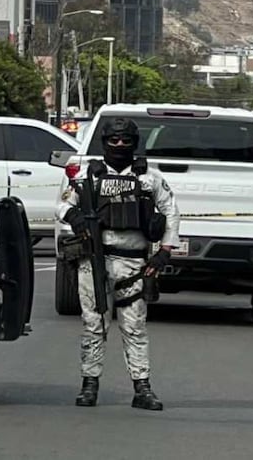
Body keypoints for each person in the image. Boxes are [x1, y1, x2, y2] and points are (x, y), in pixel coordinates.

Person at [57, 117, 180, 411]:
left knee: (135, 327)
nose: (120, 145)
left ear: (135, 143)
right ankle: (89, 385)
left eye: (126, 141)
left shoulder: (150, 178)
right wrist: (74, 217)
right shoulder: (88, 177)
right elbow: (63, 204)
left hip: (134, 264)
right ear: (104, 142)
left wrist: (164, 251)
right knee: (94, 325)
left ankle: (142, 388)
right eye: (114, 140)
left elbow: (171, 212)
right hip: (94, 262)